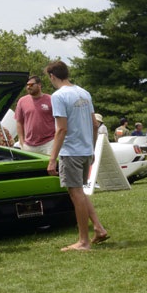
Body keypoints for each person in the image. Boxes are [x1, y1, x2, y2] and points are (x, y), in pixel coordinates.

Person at [44, 60, 109, 251]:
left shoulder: (58, 96)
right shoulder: (84, 93)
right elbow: (95, 125)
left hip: (71, 152)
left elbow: (61, 129)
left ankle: (83, 241)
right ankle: (98, 228)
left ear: (52, 76)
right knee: (80, 191)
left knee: (76, 193)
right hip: (86, 150)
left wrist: (52, 159)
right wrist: (92, 148)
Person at [14, 74, 55, 154]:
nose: (29, 87)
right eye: (27, 85)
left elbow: (58, 120)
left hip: (48, 144)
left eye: (31, 84)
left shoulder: (51, 99)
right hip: (28, 146)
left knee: (51, 166)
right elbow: (19, 122)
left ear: (39, 85)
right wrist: (21, 141)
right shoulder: (22, 101)